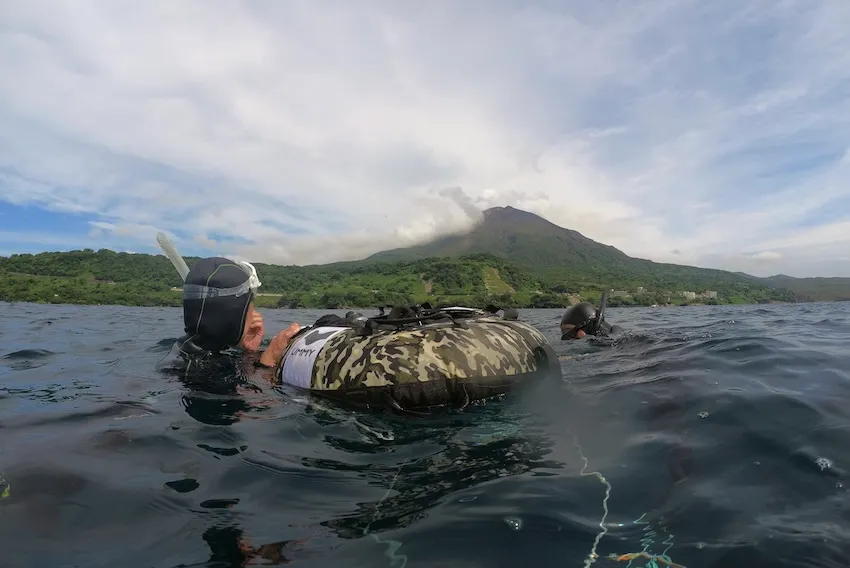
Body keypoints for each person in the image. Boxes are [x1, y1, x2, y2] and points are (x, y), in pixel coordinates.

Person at [157, 256, 301, 375]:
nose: (254, 315)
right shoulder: (198, 373)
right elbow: (254, 404)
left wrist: (249, 352)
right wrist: (267, 363)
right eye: (251, 306)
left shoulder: (187, 353)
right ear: (235, 314)